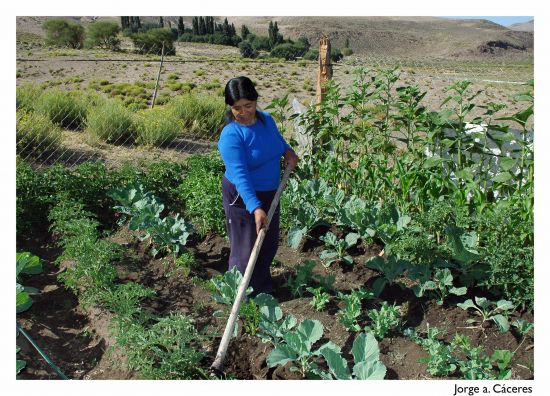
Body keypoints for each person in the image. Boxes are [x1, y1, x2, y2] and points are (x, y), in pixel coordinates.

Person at [218, 76, 299, 296]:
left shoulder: (266, 120)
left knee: (268, 244)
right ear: (230, 107)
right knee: (245, 249)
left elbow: (276, 141)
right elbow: (240, 174)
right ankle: (240, 294)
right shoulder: (231, 135)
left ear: (256, 101)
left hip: (270, 192)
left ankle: (261, 288)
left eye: (248, 106)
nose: (243, 112)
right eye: (236, 108)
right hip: (242, 196)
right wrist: (255, 207)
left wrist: (287, 151)